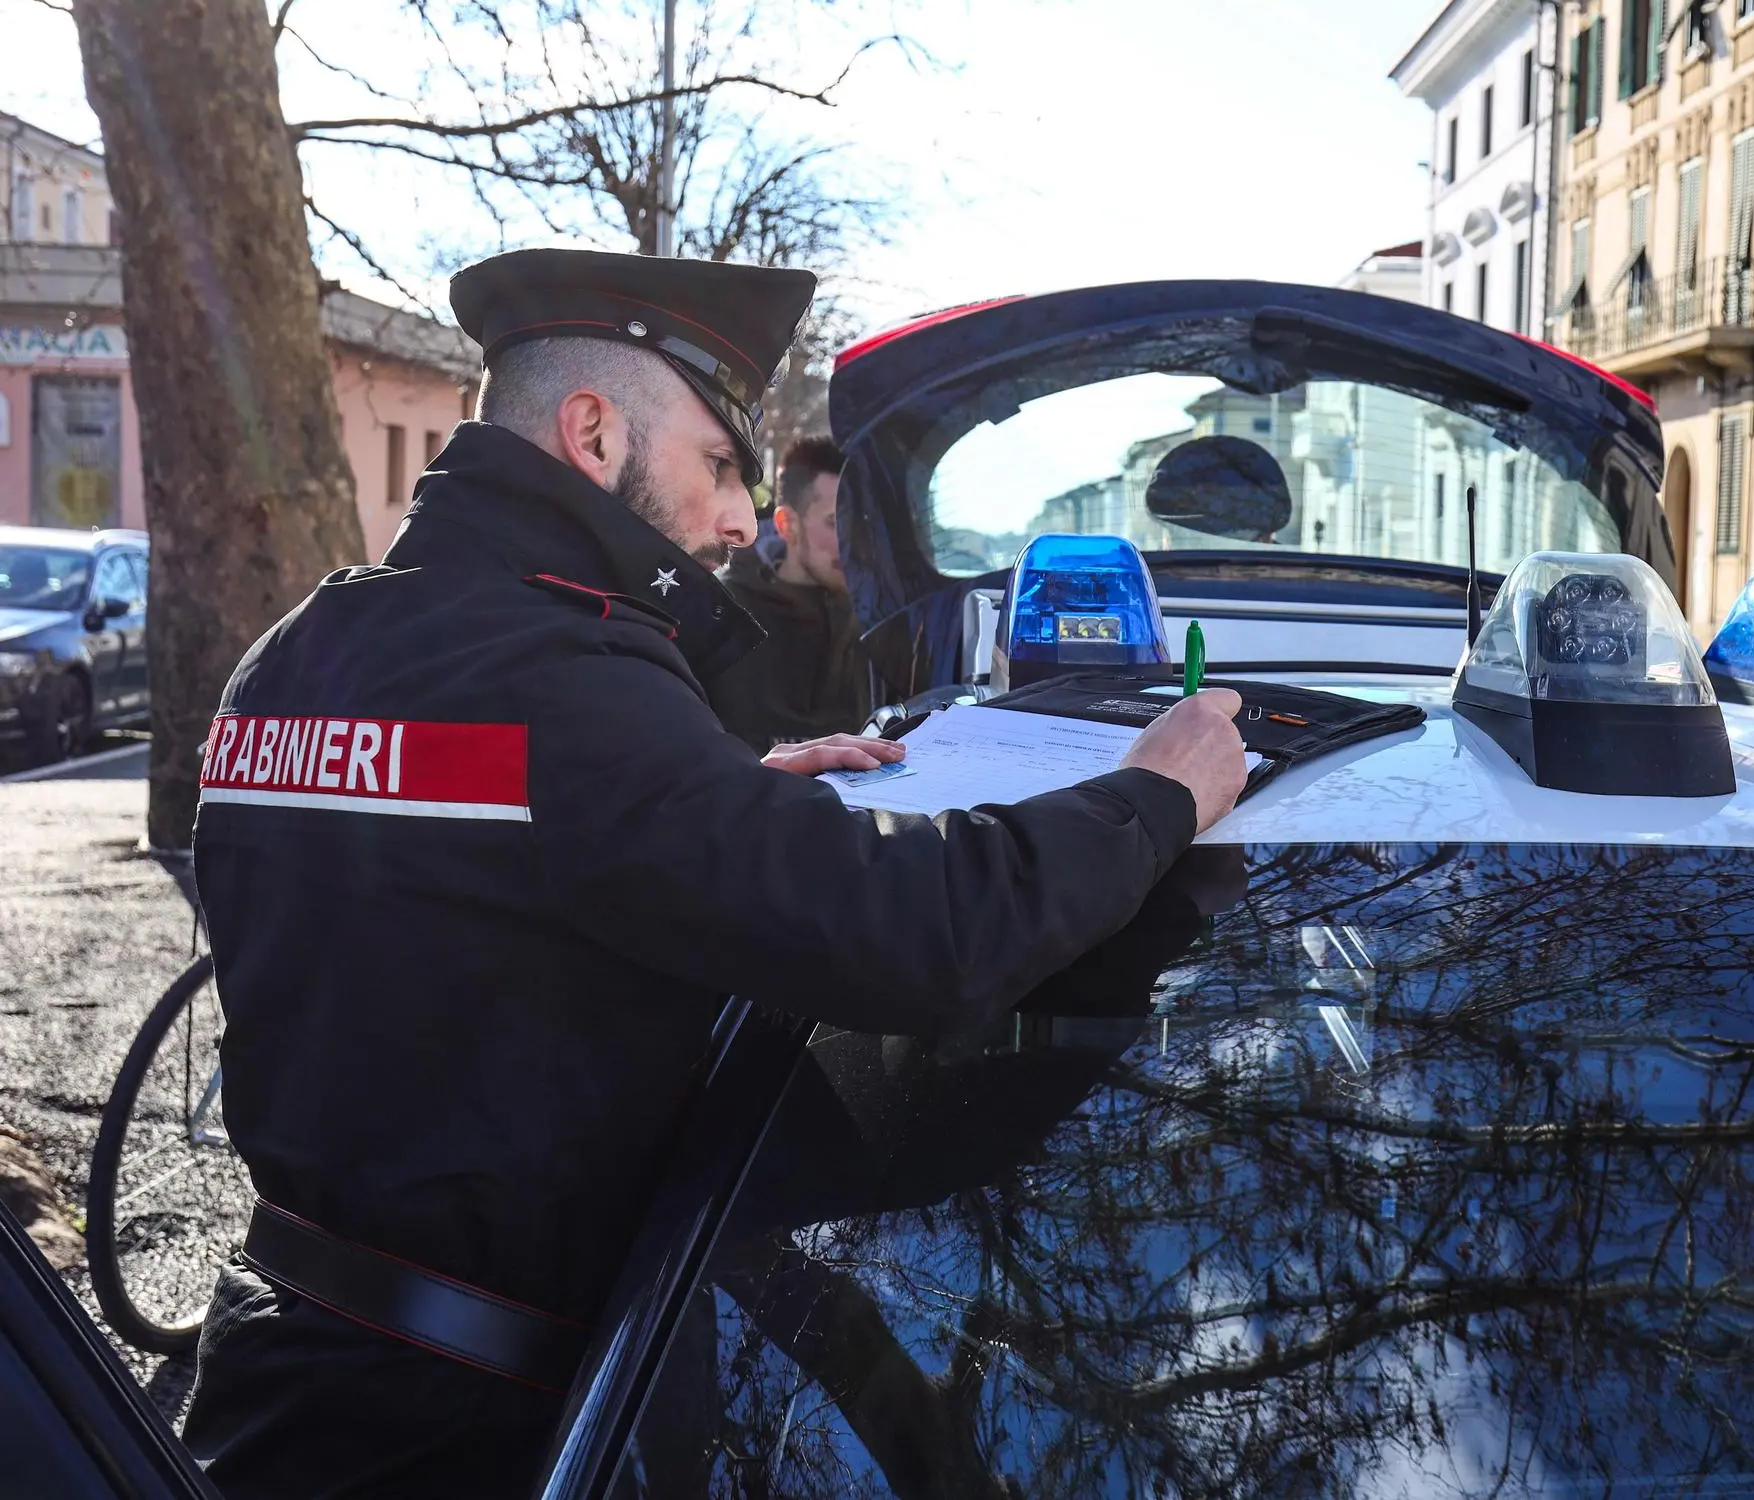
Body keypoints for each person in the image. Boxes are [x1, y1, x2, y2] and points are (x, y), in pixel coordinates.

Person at [181, 247, 1248, 1499]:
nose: (744, 517)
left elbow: (448, 904)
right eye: (720, 463)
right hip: (475, 1431)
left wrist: (716, 796)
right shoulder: (565, 685)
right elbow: (917, 935)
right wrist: (1154, 794)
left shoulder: (300, 650)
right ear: (590, 431)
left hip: (277, 1380)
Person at [711, 435, 871, 752]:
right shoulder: (727, 617)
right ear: (788, 525)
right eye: (834, 522)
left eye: (858, 523)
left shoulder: (871, 619)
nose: (850, 540)